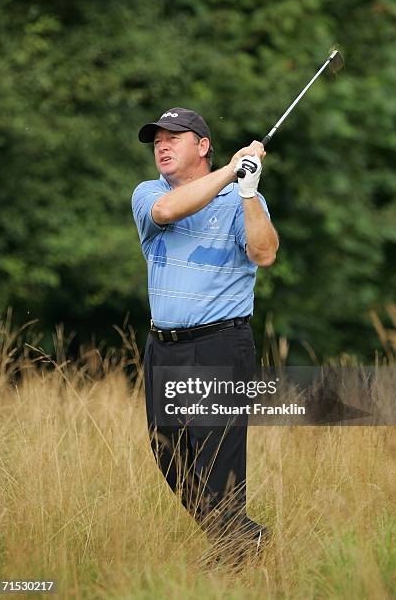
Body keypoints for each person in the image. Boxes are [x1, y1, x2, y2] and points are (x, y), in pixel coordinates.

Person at [131, 107, 279, 562]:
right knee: (168, 454)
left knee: (218, 461)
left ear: (202, 146)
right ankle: (240, 538)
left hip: (220, 344)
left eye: (174, 136)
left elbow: (265, 252)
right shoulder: (148, 194)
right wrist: (233, 171)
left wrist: (249, 192)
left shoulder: (240, 198)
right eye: (157, 139)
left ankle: (235, 555)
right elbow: (168, 209)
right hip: (164, 347)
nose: (162, 145)